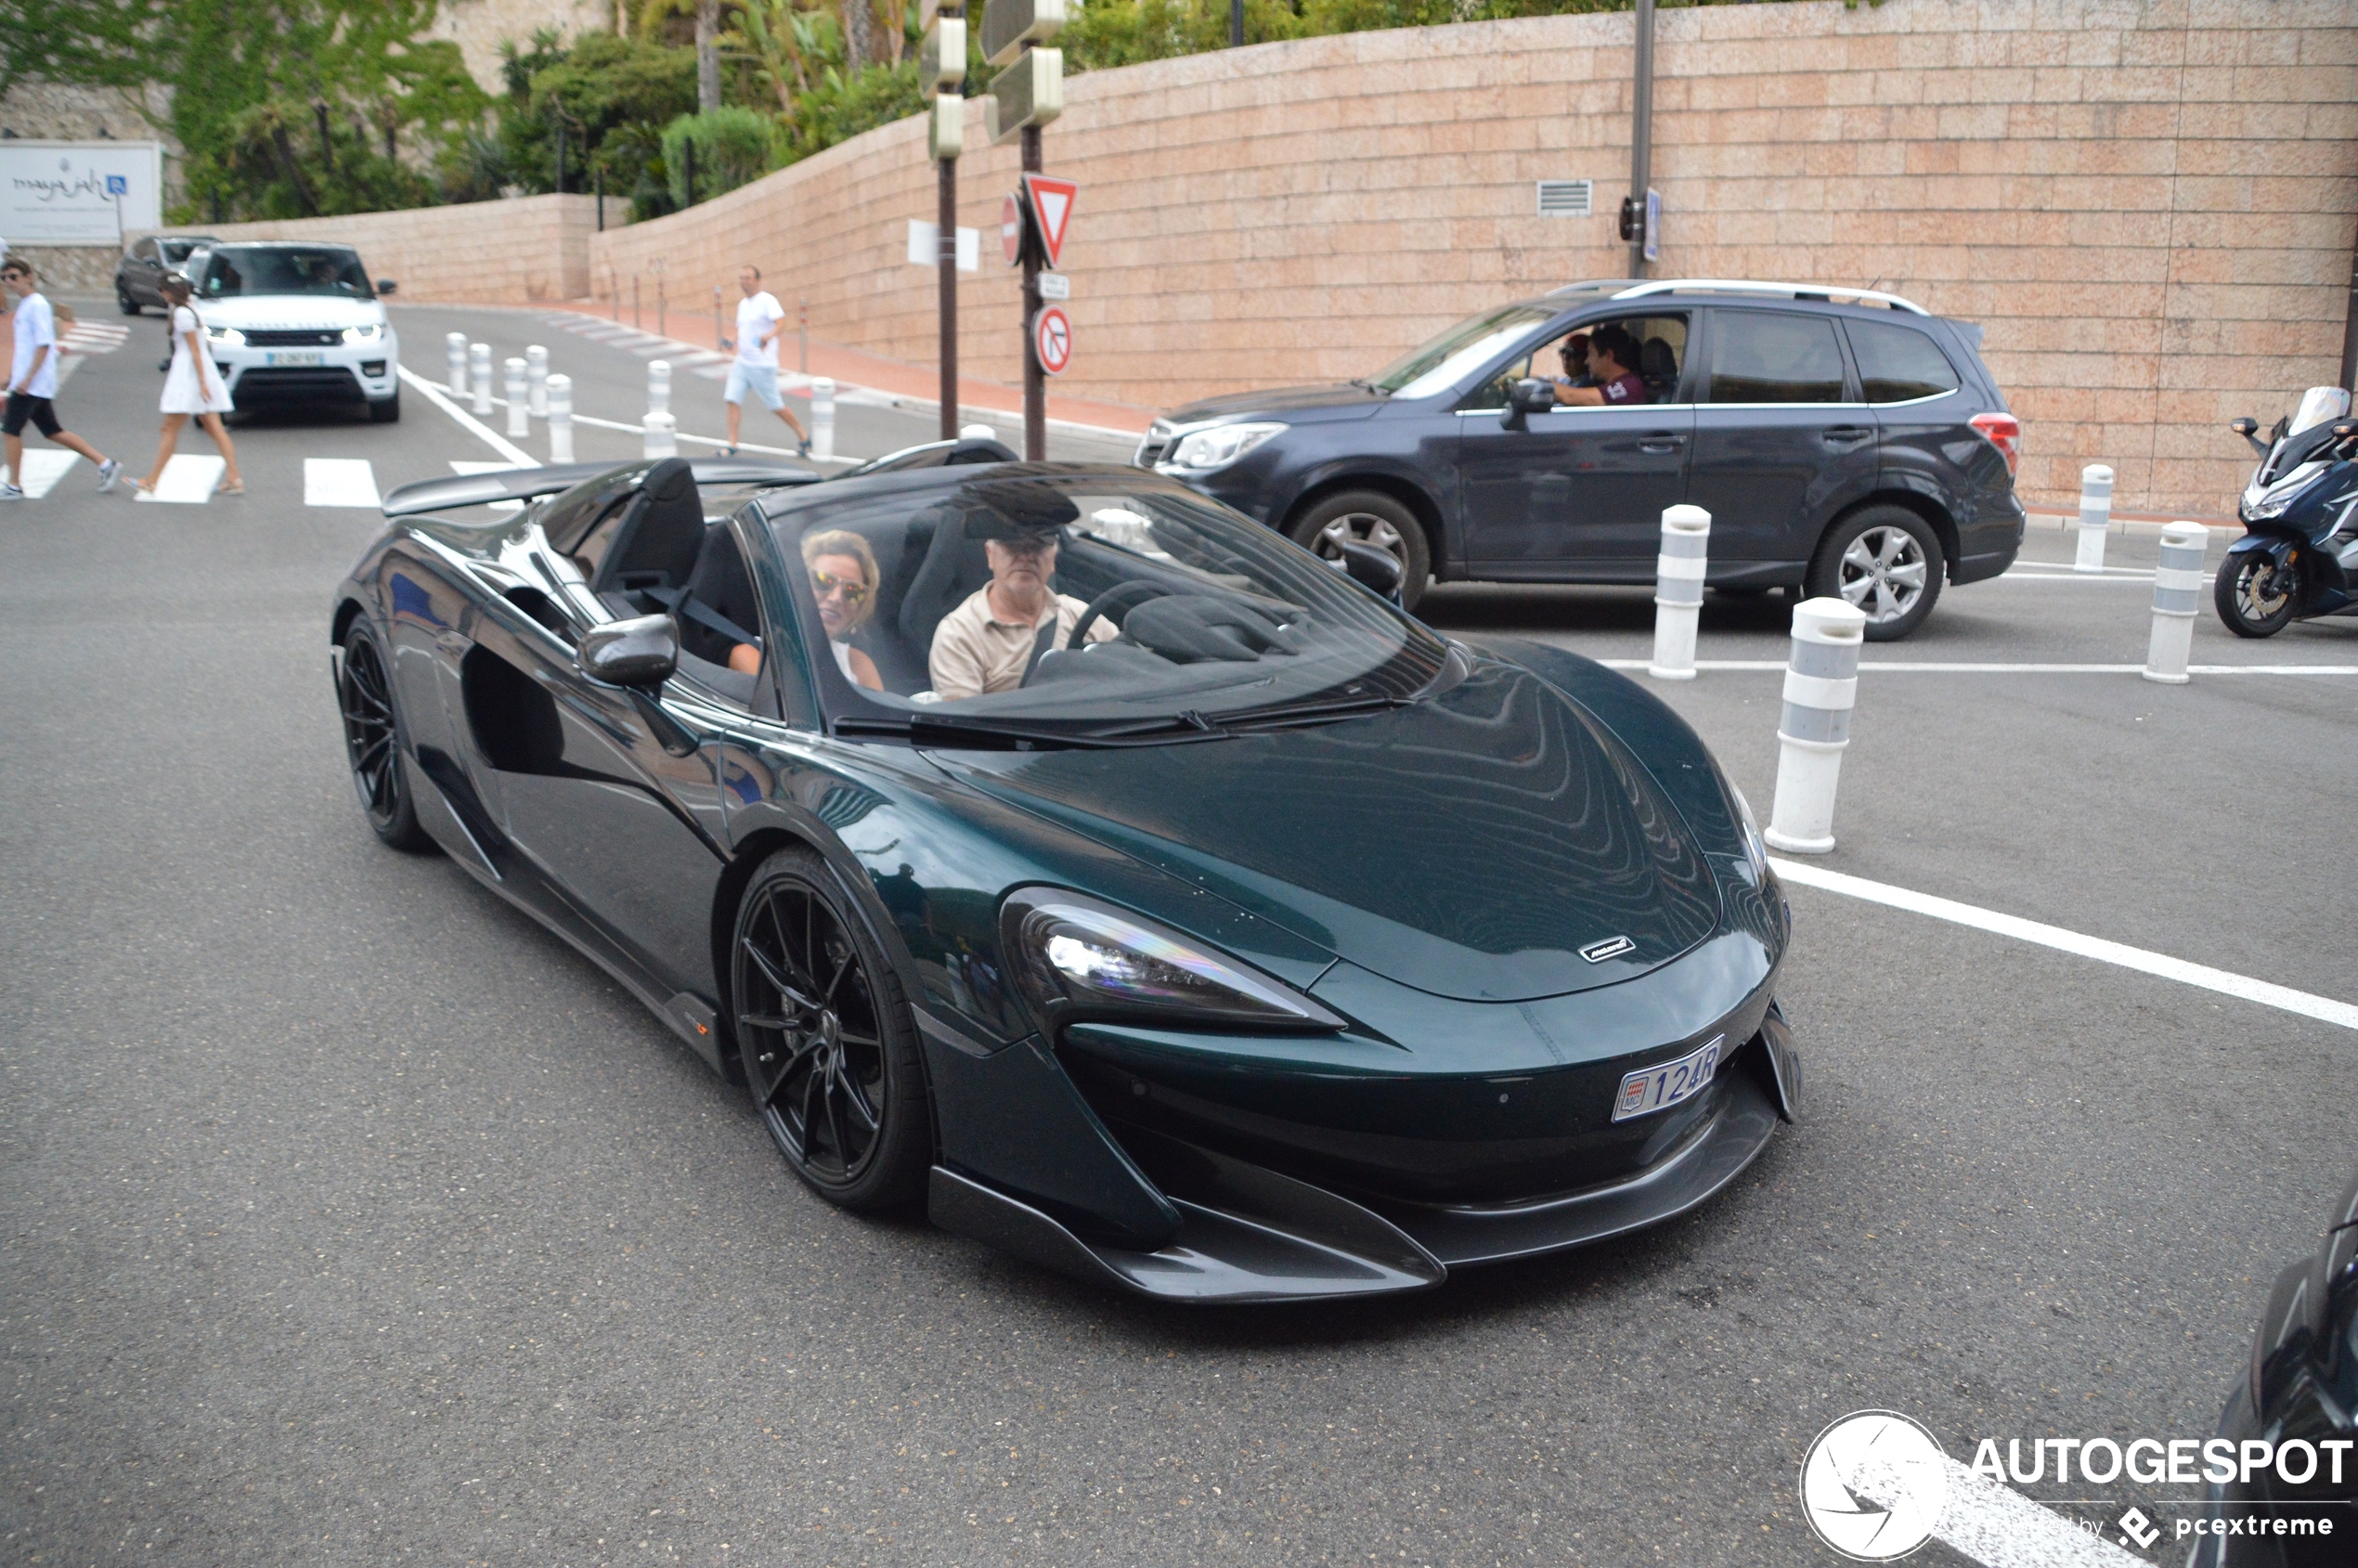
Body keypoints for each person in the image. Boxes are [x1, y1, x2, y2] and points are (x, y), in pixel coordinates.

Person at [927, 526, 1116, 701]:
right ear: (989, 554)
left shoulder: (1081, 616)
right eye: (1013, 547)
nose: (1026, 557)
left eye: (1037, 547)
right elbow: (963, 726)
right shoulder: (959, 633)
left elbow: (1130, 667)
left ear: (1053, 558)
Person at [1, 258, 120, 499]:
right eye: (4, 278)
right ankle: (106, 464)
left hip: (32, 385)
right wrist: (13, 376)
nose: (8, 282)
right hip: (30, 383)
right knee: (53, 431)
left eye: (13, 276)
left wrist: (26, 379)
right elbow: (25, 348)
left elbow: (45, 344)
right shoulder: (26, 305)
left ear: (29, 276)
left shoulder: (37, 305)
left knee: (11, 430)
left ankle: (14, 485)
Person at [135, 274, 242, 499]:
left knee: (169, 428)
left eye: (162, 290)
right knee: (214, 427)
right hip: (196, 372)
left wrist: (202, 382)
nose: (161, 295)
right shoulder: (190, 308)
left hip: (188, 375)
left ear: (169, 292)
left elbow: (194, 349)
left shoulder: (182, 313)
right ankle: (234, 477)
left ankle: (151, 481)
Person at [762, 527, 884, 691]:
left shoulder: (858, 666)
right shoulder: (762, 652)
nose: (836, 598)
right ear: (797, 584)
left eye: (853, 591)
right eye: (823, 581)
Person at [719, 265, 809, 457]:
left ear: (758, 280)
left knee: (775, 405)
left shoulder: (767, 301)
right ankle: (732, 444)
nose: (744, 282)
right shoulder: (743, 304)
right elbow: (742, 329)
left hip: (762, 363)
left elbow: (781, 322)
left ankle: (803, 436)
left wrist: (769, 335)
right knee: (732, 399)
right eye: (742, 278)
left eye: (748, 278)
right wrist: (732, 341)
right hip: (743, 361)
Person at [1550, 324, 1647, 408]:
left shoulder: (1629, 386)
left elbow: (1569, 397)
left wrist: (1541, 386)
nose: (1586, 361)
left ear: (1608, 355)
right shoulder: (1620, 383)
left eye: (1591, 354)